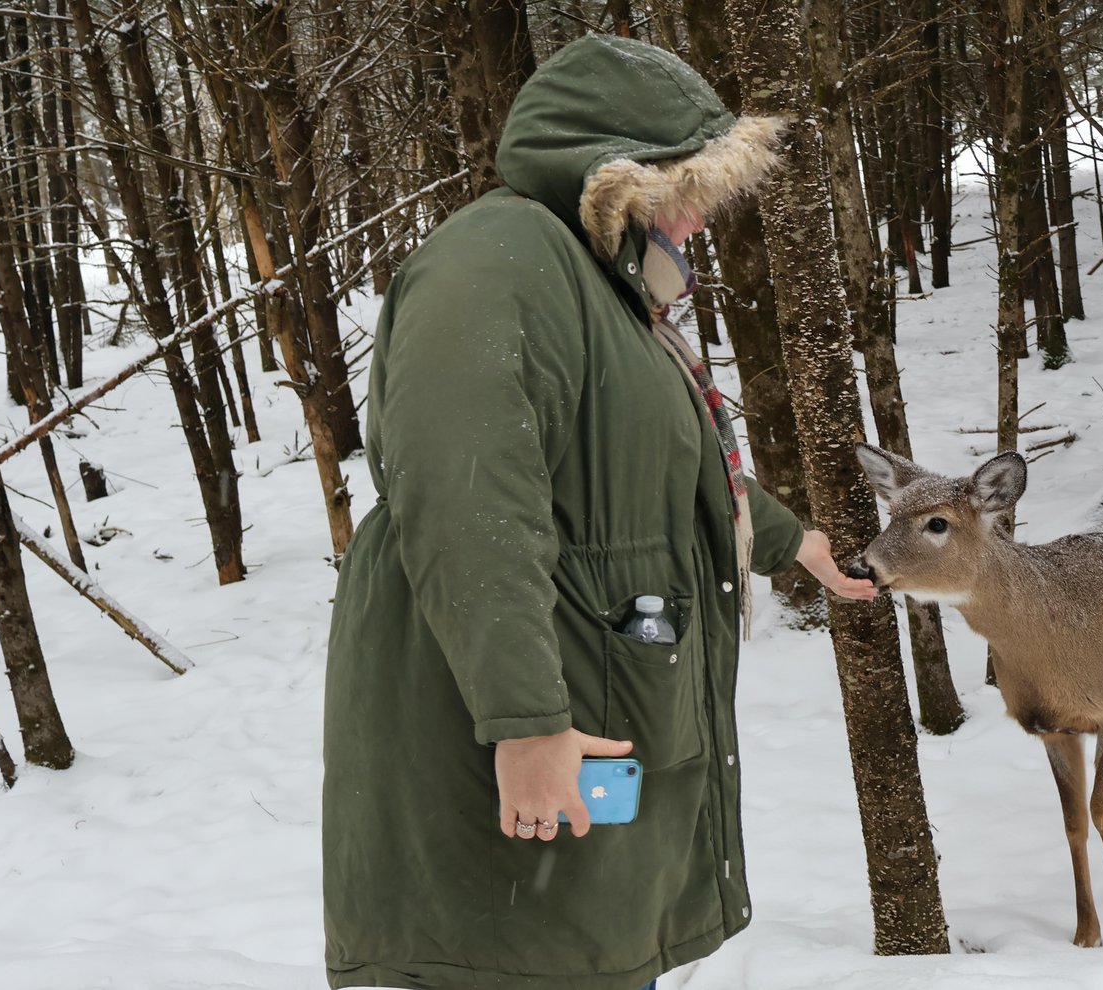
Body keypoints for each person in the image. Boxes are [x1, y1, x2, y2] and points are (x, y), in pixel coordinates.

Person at [322, 33, 876, 990]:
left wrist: (790, 540)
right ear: (616, 179)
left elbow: (645, 467)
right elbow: (468, 506)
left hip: (583, 731)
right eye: (684, 189)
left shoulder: (597, 288)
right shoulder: (496, 263)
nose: (698, 217)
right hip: (505, 748)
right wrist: (527, 724)